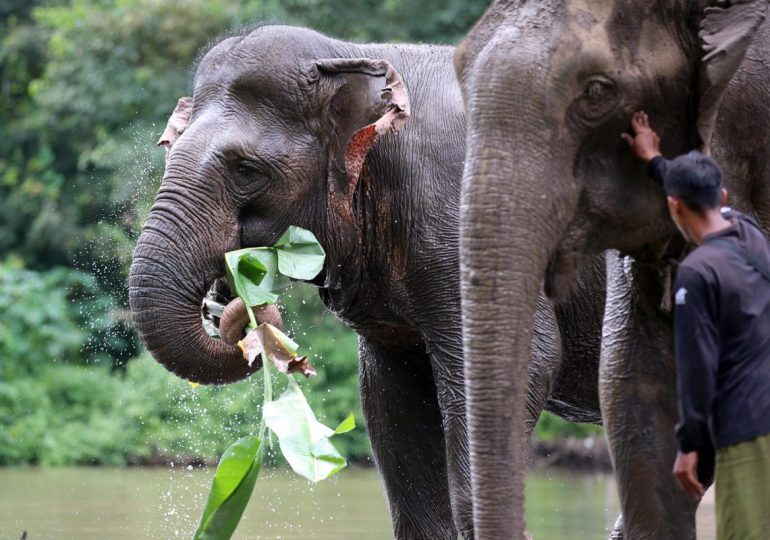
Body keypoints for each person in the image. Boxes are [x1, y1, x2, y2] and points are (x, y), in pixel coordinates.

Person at [622, 111, 770, 540]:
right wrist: (654, 160)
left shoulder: (699, 272)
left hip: (750, 427)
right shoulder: (751, 234)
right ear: (722, 196)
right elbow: (696, 195)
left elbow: (698, 367)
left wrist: (690, 446)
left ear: (674, 207)